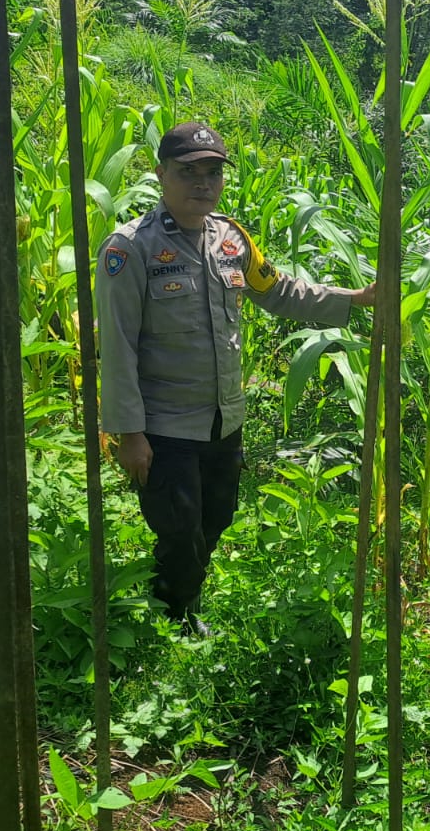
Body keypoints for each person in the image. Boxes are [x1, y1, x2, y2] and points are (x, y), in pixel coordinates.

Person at [96, 121, 375, 631]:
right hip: (164, 424)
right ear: (161, 174)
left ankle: (177, 598)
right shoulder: (129, 248)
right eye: (188, 172)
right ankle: (175, 615)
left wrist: (354, 300)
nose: (202, 182)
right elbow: (116, 347)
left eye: (212, 173)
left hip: (224, 419)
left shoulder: (232, 240)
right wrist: (128, 433)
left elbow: (279, 291)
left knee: (216, 518)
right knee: (180, 531)